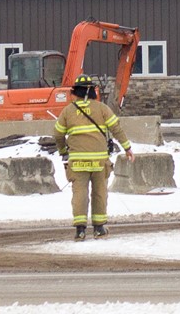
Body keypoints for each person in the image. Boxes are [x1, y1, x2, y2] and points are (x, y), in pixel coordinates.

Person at [53, 75, 133, 240]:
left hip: (77, 161)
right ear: (92, 91)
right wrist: (127, 148)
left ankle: (80, 230)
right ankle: (99, 228)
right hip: (99, 161)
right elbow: (116, 128)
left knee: (79, 193)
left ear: (76, 92)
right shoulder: (102, 108)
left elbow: (58, 134)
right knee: (99, 193)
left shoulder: (68, 111)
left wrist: (63, 151)